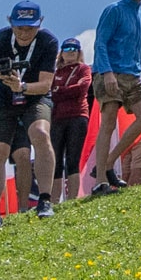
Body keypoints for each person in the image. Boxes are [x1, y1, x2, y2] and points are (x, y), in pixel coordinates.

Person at [0, 3, 59, 213]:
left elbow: (46, 84)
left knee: (40, 133)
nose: (24, 33)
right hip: (2, 99)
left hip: (34, 97)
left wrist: (22, 86)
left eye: (30, 28)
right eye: (19, 28)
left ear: (39, 24)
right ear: (10, 23)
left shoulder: (48, 41)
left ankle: (45, 199)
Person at [90, 0, 141, 173]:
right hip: (110, 72)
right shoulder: (114, 10)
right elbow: (100, 42)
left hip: (132, 76)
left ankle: (109, 162)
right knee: (109, 119)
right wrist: (107, 72)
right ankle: (101, 177)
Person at [45, 40, 96, 197]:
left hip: (77, 117)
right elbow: (48, 91)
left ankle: (72, 198)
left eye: (75, 49)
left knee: (73, 160)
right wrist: (62, 91)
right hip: (57, 119)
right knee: (55, 160)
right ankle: (53, 200)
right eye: (67, 48)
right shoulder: (55, 73)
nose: (71, 51)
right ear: (61, 53)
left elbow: (81, 89)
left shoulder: (84, 69)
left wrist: (59, 91)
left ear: (79, 52)